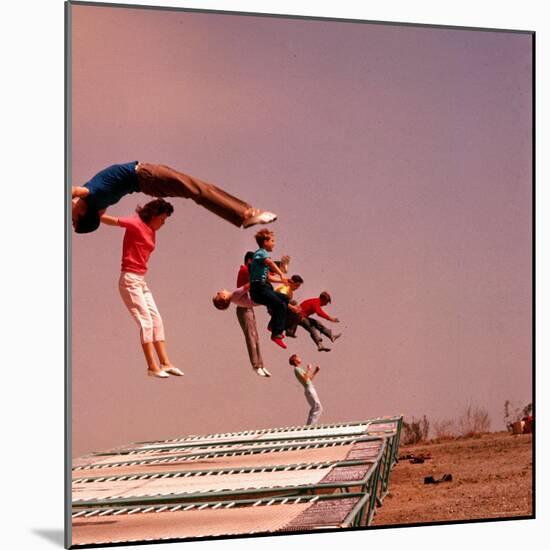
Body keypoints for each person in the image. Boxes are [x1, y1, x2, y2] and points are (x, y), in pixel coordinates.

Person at [100, 198, 184, 379]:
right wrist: (91, 212)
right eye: (162, 219)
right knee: (146, 322)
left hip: (140, 280)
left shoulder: (152, 231)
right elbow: (111, 220)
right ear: (153, 215)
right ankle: (152, 366)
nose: (163, 223)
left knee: (156, 319)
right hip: (129, 280)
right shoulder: (136, 222)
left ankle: (165, 362)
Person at [72, 161, 277, 233]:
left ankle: (243, 213)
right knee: (197, 189)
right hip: (148, 176)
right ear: (82, 212)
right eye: (73, 217)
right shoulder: (93, 194)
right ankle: (245, 213)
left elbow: (94, 217)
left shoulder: (97, 205)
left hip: (148, 180)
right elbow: (73, 193)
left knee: (196, 190)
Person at [248, 229, 290, 349]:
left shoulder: (261, 258)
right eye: (272, 241)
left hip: (262, 287)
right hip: (258, 289)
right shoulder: (261, 253)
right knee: (280, 305)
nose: (274, 243)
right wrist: (281, 273)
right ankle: (276, 334)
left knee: (285, 299)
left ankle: (273, 325)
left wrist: (281, 281)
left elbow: (268, 277)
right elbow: (271, 263)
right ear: (265, 242)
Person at [289, 354, 323, 425]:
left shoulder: (300, 369)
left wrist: (315, 371)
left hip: (310, 387)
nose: (299, 358)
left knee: (315, 407)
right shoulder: (297, 369)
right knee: (318, 408)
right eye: (297, 357)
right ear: (295, 360)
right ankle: (311, 426)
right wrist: (308, 369)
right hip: (309, 388)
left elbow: (309, 379)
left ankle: (310, 425)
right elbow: (305, 379)